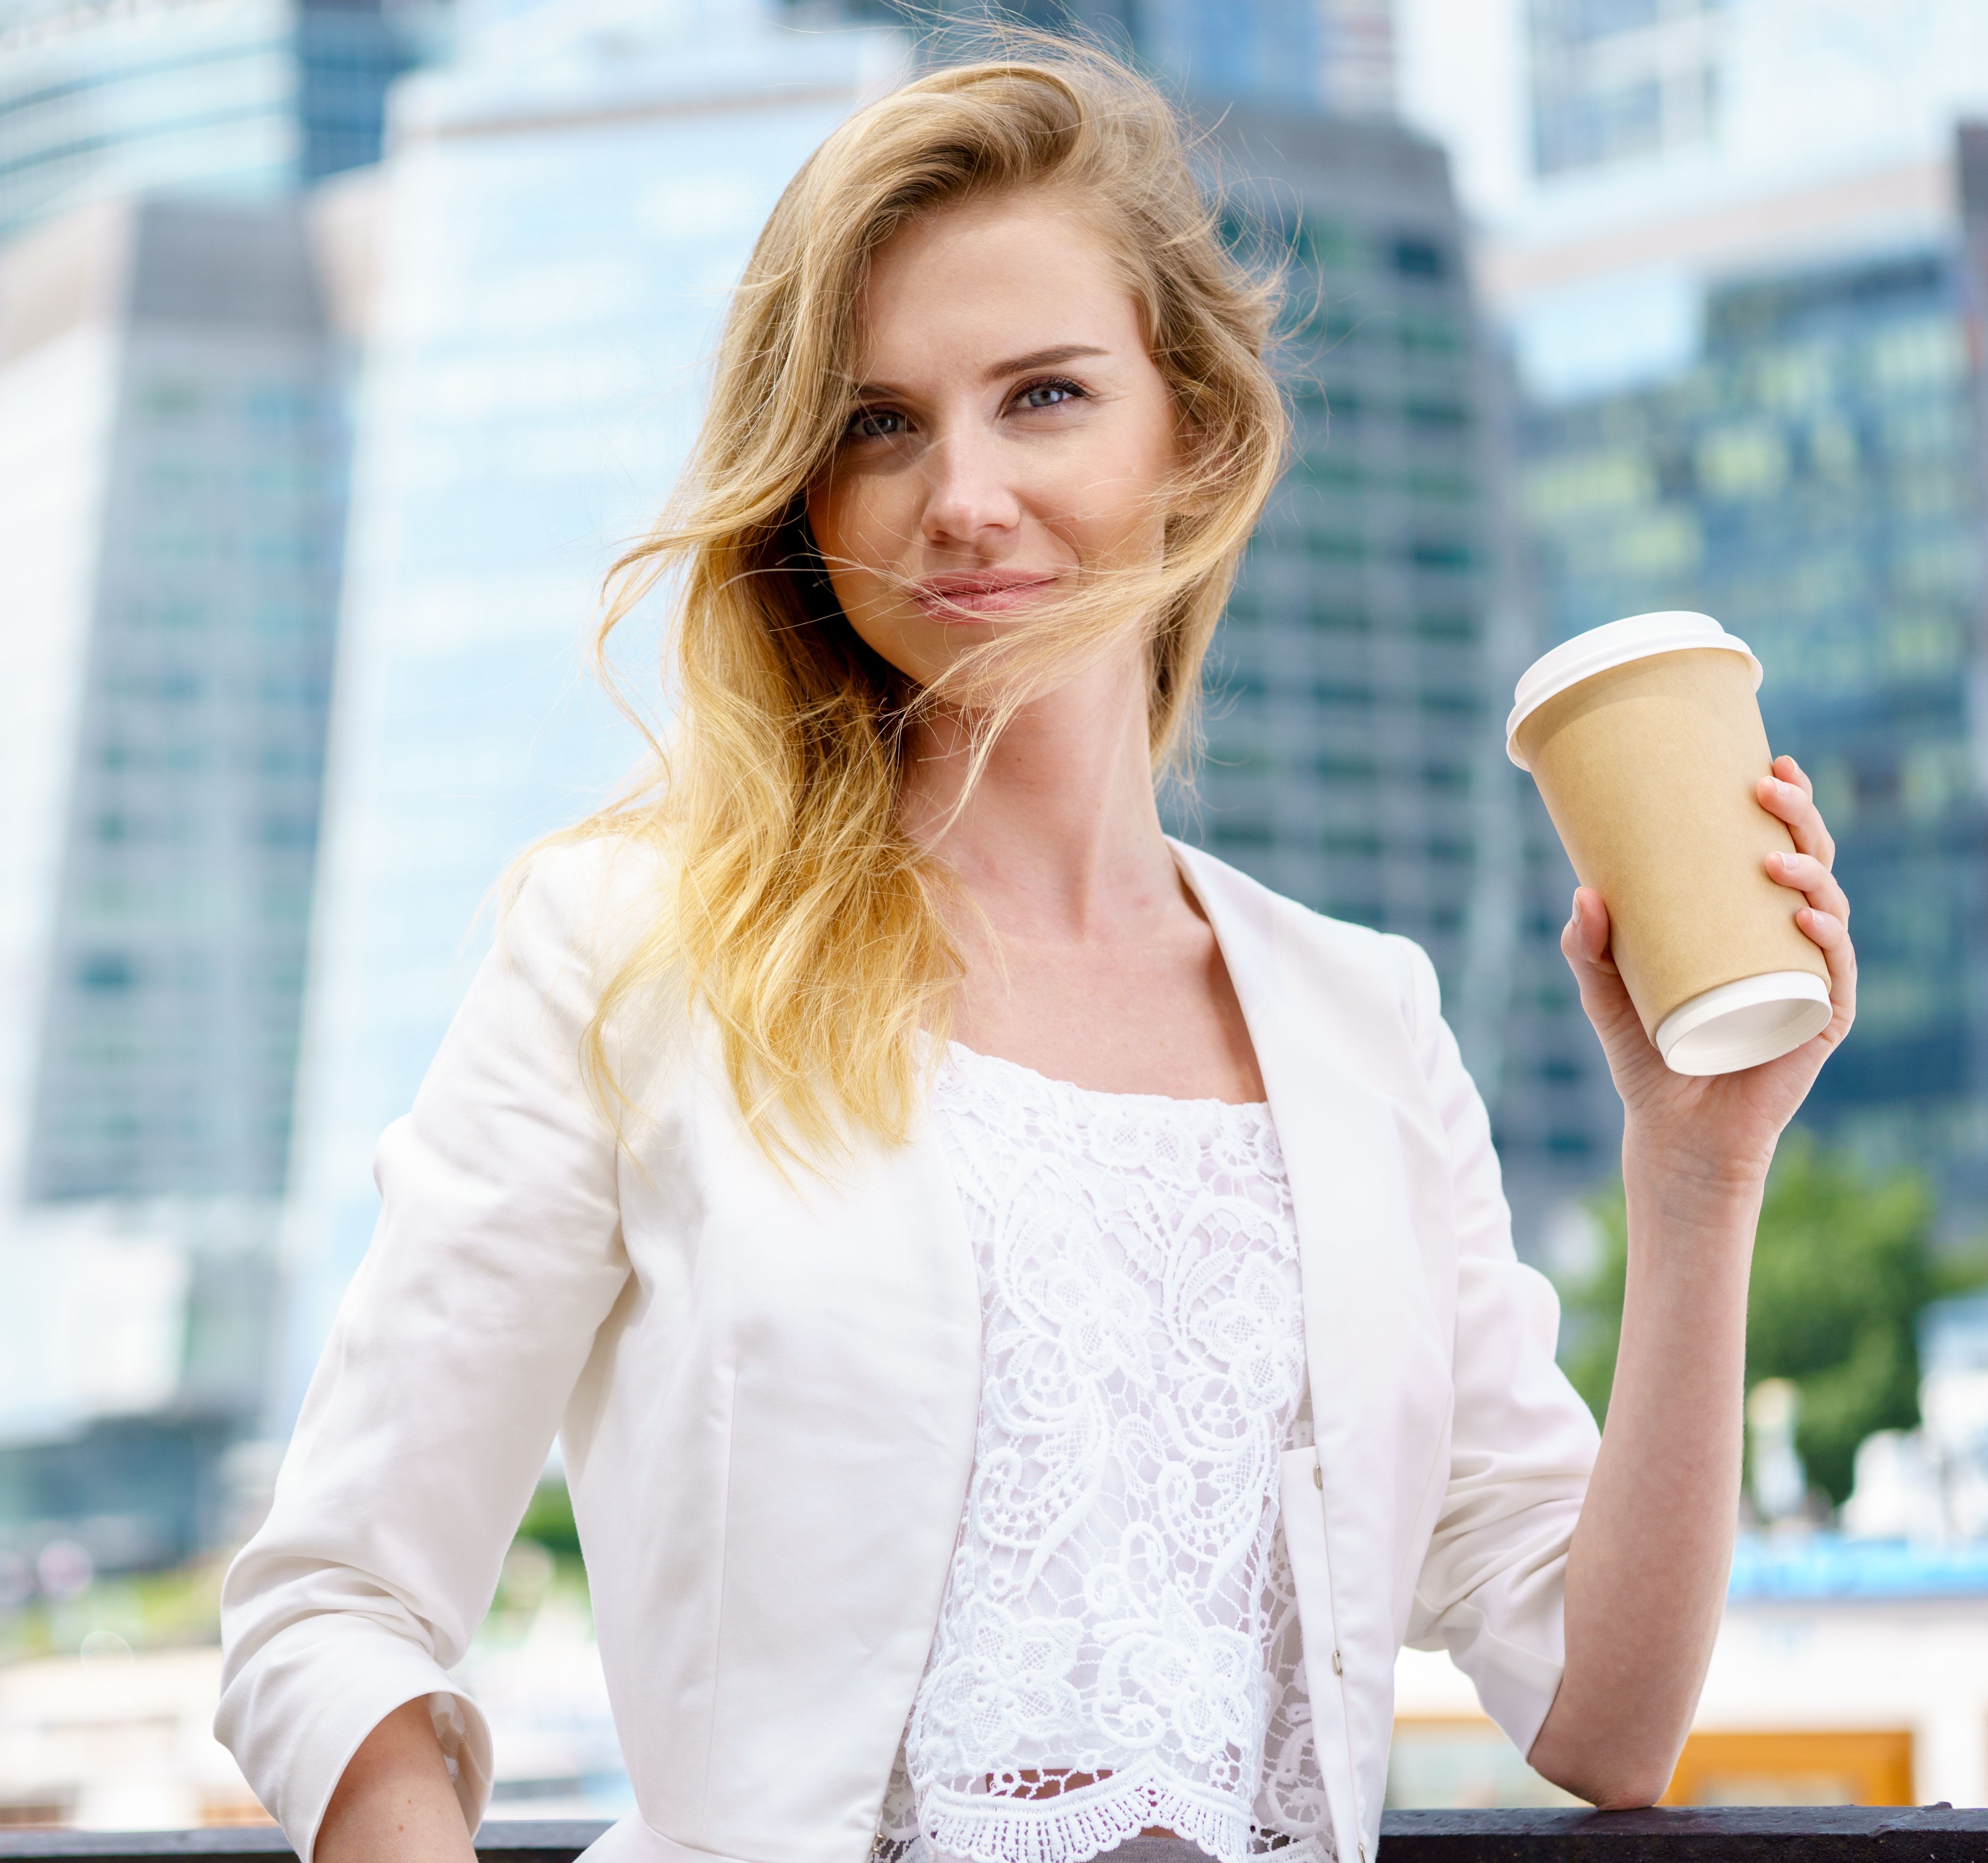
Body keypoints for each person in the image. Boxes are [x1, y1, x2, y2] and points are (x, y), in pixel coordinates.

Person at [216, 38, 1854, 1863]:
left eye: (1046, 397)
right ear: (804, 495)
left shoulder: (1360, 1017)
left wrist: (1698, 1179)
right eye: (878, 421)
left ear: (1194, 433)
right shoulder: (629, 952)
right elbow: (331, 1600)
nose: (964, 495)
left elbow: (1603, 1716)